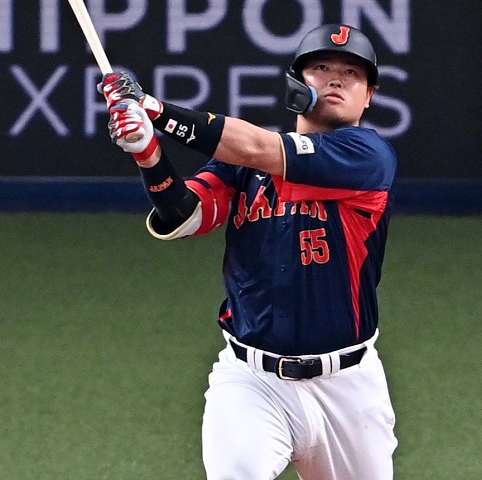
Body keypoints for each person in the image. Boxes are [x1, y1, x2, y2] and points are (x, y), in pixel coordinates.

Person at [99, 24, 398, 480]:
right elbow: (185, 216)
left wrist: (154, 110)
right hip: (252, 380)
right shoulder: (242, 168)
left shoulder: (368, 156)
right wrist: (147, 153)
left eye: (352, 73)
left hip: (349, 387)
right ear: (296, 83)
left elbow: (260, 148)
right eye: (321, 67)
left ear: (369, 96)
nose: (336, 79)